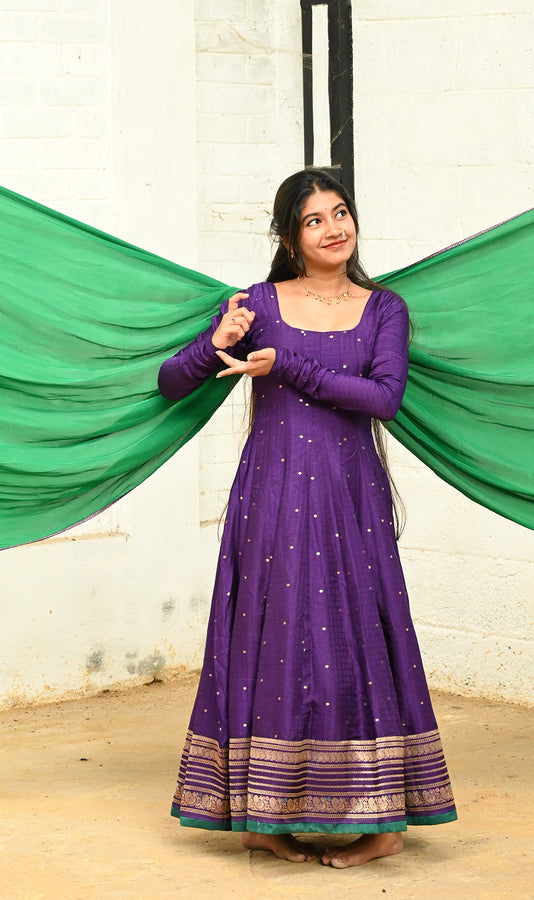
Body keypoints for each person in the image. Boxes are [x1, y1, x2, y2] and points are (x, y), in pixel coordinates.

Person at [158, 168, 457, 868]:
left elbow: (383, 398)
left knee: (358, 639)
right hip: (272, 494)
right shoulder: (258, 303)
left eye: (341, 212)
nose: (333, 228)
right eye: (314, 219)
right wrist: (215, 340)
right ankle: (261, 816)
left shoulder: (384, 308)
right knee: (269, 643)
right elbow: (171, 384)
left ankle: (383, 821)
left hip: (351, 497)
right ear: (290, 238)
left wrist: (288, 366)